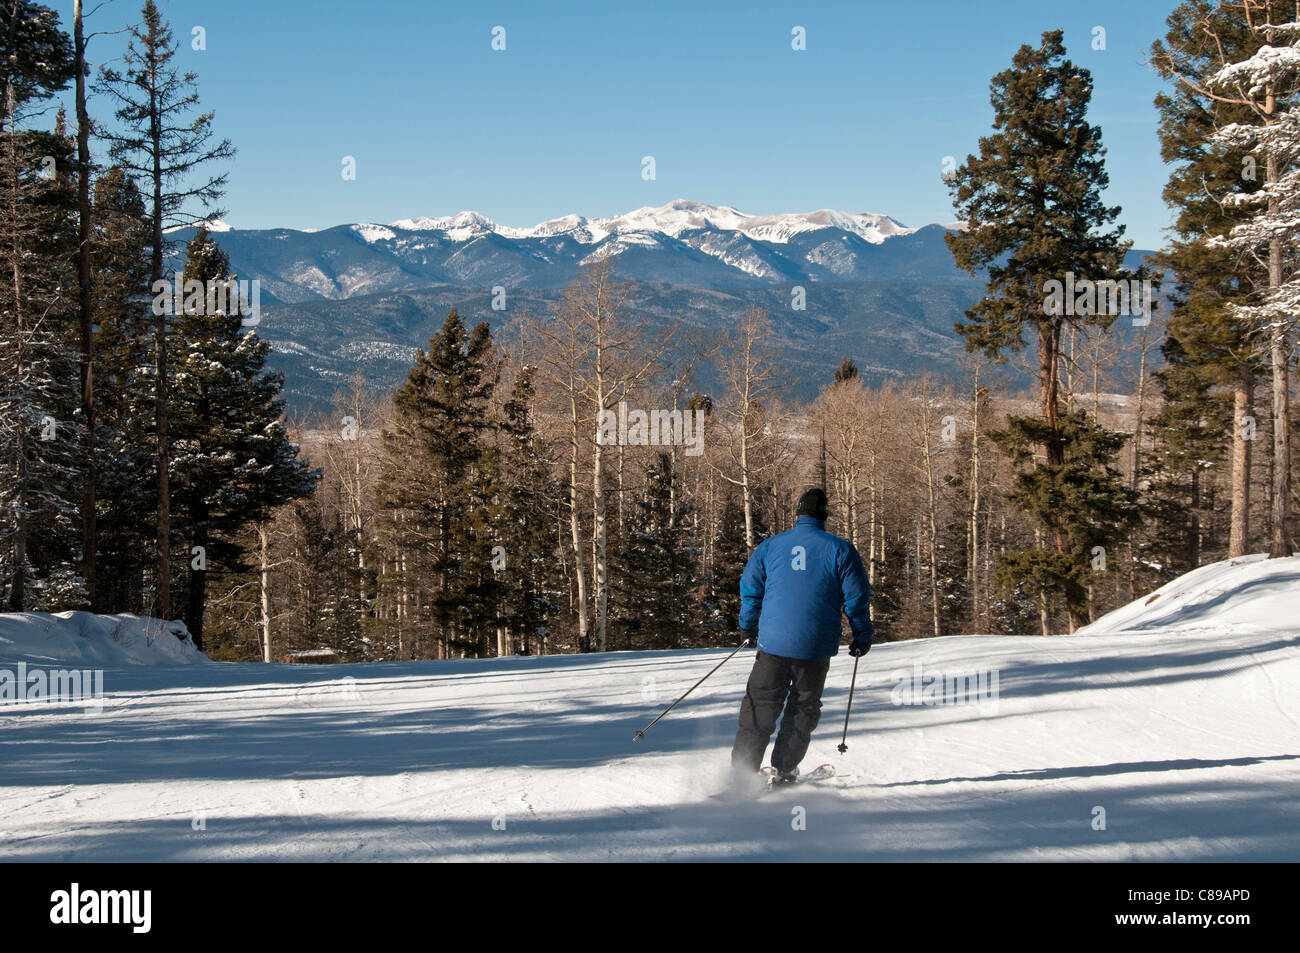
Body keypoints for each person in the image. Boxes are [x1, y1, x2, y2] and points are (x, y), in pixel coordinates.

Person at [730, 487, 873, 787]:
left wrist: (747, 627)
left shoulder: (771, 546)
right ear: (824, 516)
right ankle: (784, 769)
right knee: (803, 708)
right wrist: (861, 636)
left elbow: (750, 589)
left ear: (797, 514)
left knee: (760, 705)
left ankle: (742, 776)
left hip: (772, 645)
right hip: (814, 647)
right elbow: (856, 598)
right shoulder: (840, 549)